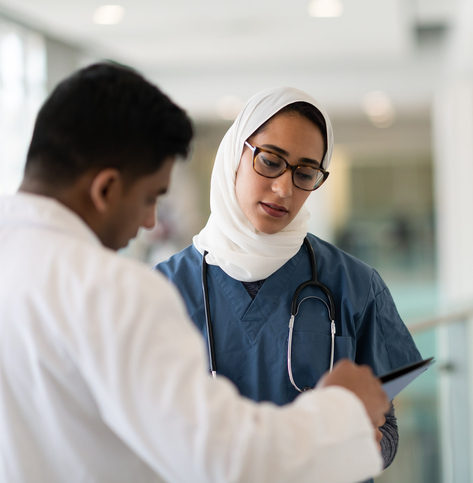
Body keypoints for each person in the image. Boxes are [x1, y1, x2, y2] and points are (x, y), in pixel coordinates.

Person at [0, 63, 391, 483]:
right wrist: (343, 410)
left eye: (305, 173)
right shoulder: (114, 291)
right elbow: (228, 460)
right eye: (151, 197)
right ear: (106, 189)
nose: (151, 222)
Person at [155, 86, 422, 474]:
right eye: (269, 161)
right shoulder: (161, 291)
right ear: (235, 154)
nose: (284, 188)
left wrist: (366, 444)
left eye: (305, 172)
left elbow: (388, 432)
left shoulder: (355, 285)